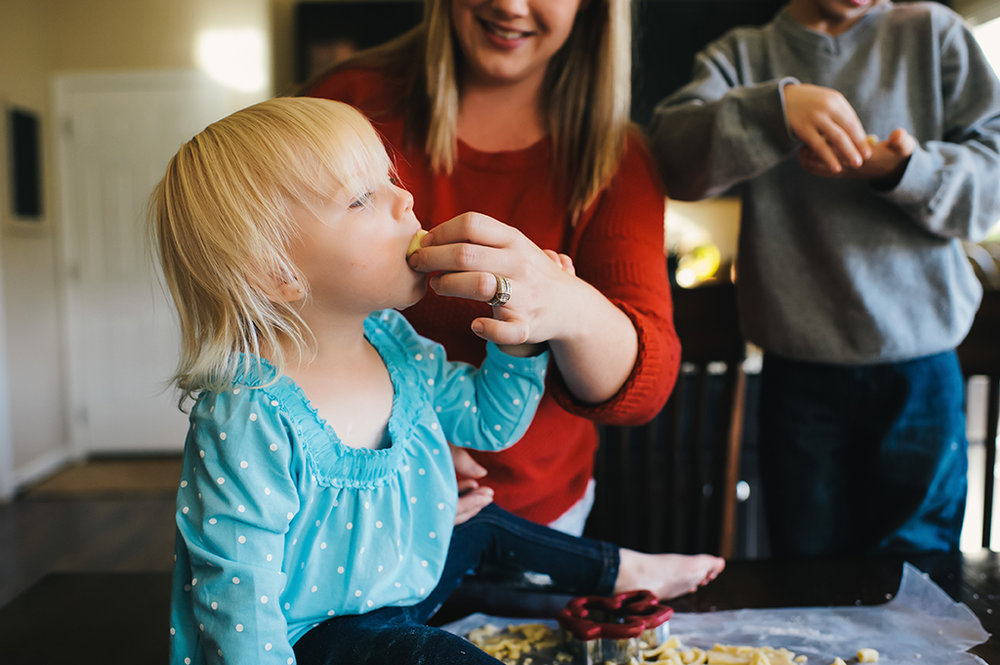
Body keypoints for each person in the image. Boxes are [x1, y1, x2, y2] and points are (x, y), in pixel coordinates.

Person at [153, 97, 722, 665]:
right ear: (278, 272)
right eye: (361, 199)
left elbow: (489, 423)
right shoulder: (249, 412)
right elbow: (238, 601)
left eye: (390, 180)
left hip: (401, 580)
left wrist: (520, 337)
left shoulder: (392, 345)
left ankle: (621, 570)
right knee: (431, 654)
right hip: (313, 635)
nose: (405, 200)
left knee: (486, 523)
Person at [300, 0, 722, 576]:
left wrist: (567, 306)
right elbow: (270, 286)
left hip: (537, 522)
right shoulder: (345, 102)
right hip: (351, 514)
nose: (509, 5)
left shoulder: (617, 160)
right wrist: (394, 438)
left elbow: (643, 388)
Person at [648, 0, 1000, 556]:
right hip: (798, 378)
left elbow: (993, 182)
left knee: (918, 584)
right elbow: (670, 158)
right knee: (805, 579)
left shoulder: (935, 34)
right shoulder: (745, 54)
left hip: (922, 374)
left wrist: (906, 171)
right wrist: (776, 110)